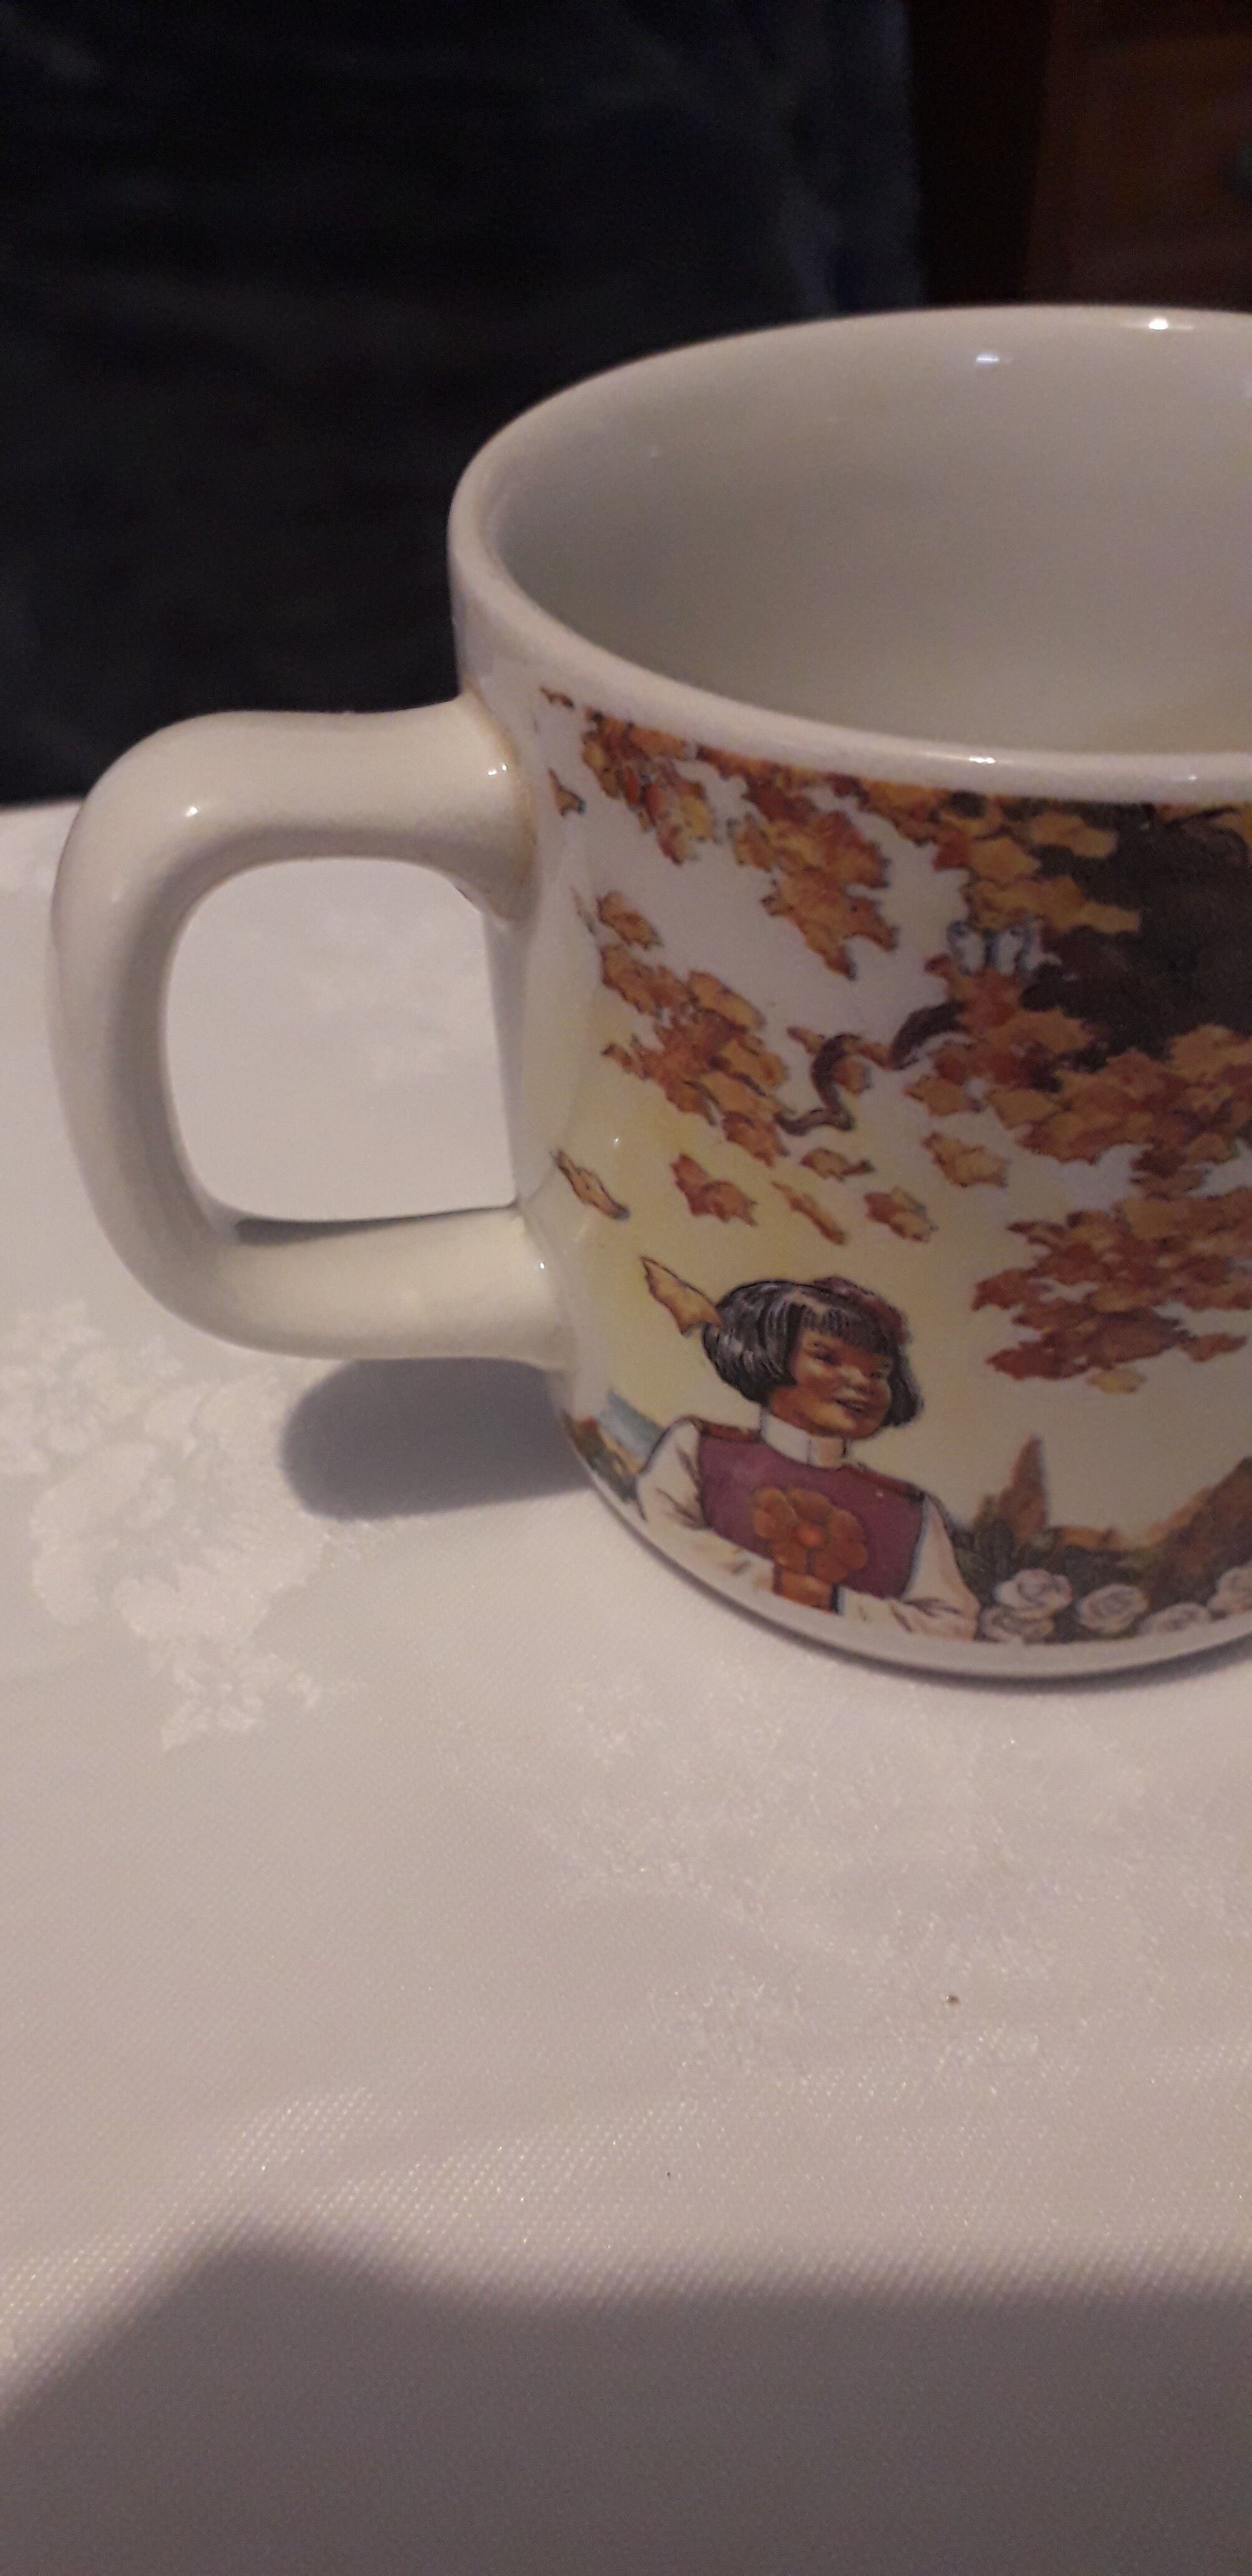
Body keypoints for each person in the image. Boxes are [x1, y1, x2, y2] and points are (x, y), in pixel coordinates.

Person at [635, 1273, 977, 1640]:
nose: (862, 1383)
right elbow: (663, 1523)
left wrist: (834, 1603)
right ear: (770, 1354)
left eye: (877, 1373)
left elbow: (951, 1623)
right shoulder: (698, 1447)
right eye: (827, 1358)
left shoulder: (912, 1512)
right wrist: (780, 1583)